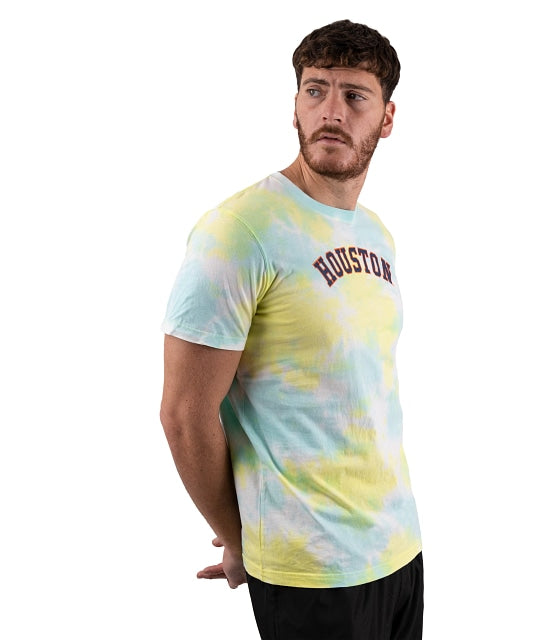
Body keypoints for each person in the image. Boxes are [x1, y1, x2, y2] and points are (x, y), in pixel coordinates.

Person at [160, 19, 423, 639]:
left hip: (398, 550)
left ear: (387, 118)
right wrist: (237, 536)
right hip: (309, 573)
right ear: (296, 104)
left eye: (354, 95)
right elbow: (184, 414)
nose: (331, 111)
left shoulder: (375, 232)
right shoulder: (239, 232)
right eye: (315, 90)